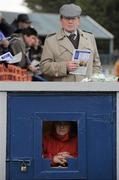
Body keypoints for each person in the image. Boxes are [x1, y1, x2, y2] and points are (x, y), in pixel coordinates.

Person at [40, 3, 101, 81]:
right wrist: (65, 67)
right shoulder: (51, 41)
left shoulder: (90, 38)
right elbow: (44, 67)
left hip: (87, 89)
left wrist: (93, 80)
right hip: (64, 90)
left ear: (78, 20)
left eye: (73, 19)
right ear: (61, 20)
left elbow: (96, 64)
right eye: (67, 18)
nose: (70, 22)